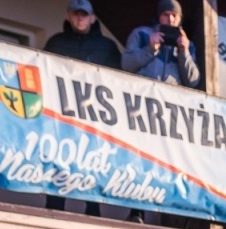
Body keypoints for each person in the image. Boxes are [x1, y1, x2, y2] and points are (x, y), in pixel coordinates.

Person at [43, 0, 118, 215]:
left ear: (93, 18)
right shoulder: (55, 43)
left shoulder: (107, 47)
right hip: (60, 115)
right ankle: (54, 210)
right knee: (59, 159)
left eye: (84, 14)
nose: (80, 18)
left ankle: (93, 211)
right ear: (68, 16)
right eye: (76, 14)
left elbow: (120, 81)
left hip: (93, 118)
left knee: (93, 162)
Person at [122, 0, 199, 87]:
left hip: (170, 97)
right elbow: (126, 65)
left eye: (174, 15)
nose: (170, 19)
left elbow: (193, 82)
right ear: (159, 17)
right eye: (166, 15)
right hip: (141, 93)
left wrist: (184, 53)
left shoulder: (188, 45)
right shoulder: (140, 33)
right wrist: (150, 49)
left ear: (180, 19)